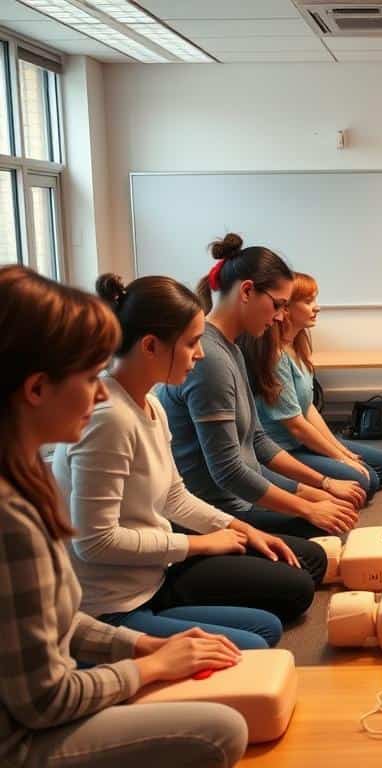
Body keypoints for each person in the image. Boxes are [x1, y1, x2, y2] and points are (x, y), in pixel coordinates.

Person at [0, 265, 248, 768]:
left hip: (124, 613)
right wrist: (148, 668)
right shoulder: (12, 520)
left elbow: (62, 625)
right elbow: (46, 700)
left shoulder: (24, 481)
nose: (99, 392)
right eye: (91, 376)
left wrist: (140, 646)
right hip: (19, 741)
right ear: (35, 389)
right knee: (221, 730)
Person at [53, 275, 326, 654]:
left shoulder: (150, 405)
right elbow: (94, 543)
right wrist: (198, 545)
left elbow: (174, 496)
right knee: (261, 636)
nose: (199, 354)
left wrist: (242, 529)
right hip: (112, 608)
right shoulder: (109, 418)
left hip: (154, 577)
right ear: (150, 346)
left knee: (270, 618)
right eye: (191, 343)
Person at [158, 233, 365, 539]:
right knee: (325, 536)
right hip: (218, 513)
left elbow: (257, 443)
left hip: (240, 497)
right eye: (278, 305)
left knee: (337, 512)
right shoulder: (210, 360)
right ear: (247, 291)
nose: (281, 316)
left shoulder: (233, 350)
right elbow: (229, 472)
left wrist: (320, 486)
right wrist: (307, 505)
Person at [245, 272, 382, 502]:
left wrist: (340, 451)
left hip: (302, 443)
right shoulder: (275, 357)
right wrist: (339, 457)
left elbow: (308, 408)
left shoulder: (298, 346)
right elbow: (296, 426)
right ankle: (288, 483)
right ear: (284, 309)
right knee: (367, 481)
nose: (316, 308)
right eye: (308, 302)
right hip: (284, 450)